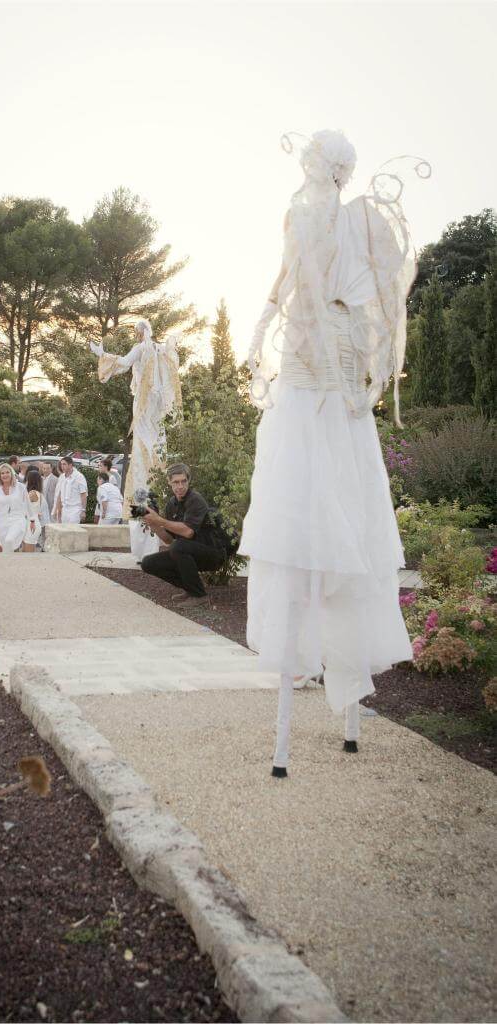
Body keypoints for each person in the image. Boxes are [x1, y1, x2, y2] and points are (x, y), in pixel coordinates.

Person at [241, 129, 428, 776]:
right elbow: (293, 280)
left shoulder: (319, 215)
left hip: (317, 368)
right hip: (330, 369)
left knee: (315, 511)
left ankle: (297, 730)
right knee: (330, 511)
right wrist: (267, 324)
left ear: (319, 165)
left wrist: (288, 333)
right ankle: (335, 714)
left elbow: (308, 287)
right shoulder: (347, 219)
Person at [89, 320, 181, 503]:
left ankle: (143, 498)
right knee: (155, 439)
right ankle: (153, 491)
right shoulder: (160, 349)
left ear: (140, 333)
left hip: (144, 400)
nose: (136, 335)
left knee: (142, 441)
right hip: (157, 401)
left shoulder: (141, 348)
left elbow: (124, 362)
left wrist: (102, 354)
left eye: (136, 332)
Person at [140, 463, 224, 606]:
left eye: (183, 481)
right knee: (148, 563)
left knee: (178, 547)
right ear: (169, 482)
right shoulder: (171, 504)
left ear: (188, 481)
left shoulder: (195, 499)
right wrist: (153, 524)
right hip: (188, 551)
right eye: (176, 482)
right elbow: (168, 540)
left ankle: (199, 596)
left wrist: (159, 519)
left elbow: (188, 532)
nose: (180, 486)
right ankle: (190, 587)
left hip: (212, 553)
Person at [0, 463, 28, 553]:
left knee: (10, 540)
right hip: (2, 522)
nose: (5, 475)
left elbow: (28, 504)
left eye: (7, 472)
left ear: (11, 473)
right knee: (3, 545)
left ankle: (9, 563)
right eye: (2, 473)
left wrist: (31, 519)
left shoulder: (21, 487)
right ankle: (8, 565)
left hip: (17, 520)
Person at [54, 456, 88, 524]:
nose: (62, 466)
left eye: (64, 464)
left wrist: (83, 511)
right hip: (64, 509)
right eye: (61, 464)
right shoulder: (62, 477)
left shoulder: (79, 477)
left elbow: (83, 494)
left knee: (73, 531)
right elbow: (60, 495)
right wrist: (58, 510)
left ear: (70, 465)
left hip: (75, 509)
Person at [22, 468, 49, 551]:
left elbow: (22, 508)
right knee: (25, 552)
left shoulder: (32, 493)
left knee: (28, 554)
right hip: (30, 523)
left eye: (27, 478)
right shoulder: (37, 493)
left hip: (31, 524)